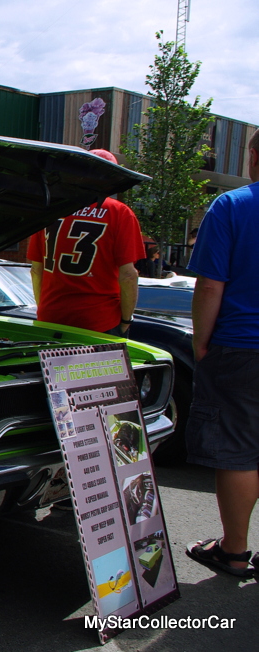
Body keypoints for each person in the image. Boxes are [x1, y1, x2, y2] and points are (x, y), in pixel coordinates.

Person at [184, 128, 259, 579]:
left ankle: (233, 552)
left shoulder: (231, 206)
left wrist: (200, 341)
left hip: (241, 347)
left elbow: (211, 285)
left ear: (253, 157)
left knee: (237, 451)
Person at [27, 149, 144, 337]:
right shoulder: (119, 212)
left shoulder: (52, 208)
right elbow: (129, 275)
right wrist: (126, 320)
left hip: (51, 320)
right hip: (100, 322)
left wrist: (45, 310)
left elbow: (36, 270)